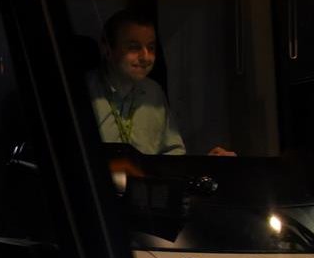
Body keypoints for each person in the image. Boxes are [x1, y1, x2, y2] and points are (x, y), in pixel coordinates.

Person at [85, 9, 234, 157]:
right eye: (134, 47)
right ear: (107, 49)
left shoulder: (153, 92)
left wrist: (206, 164)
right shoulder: (84, 91)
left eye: (151, 47)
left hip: (146, 180)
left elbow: (173, 155)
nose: (146, 57)